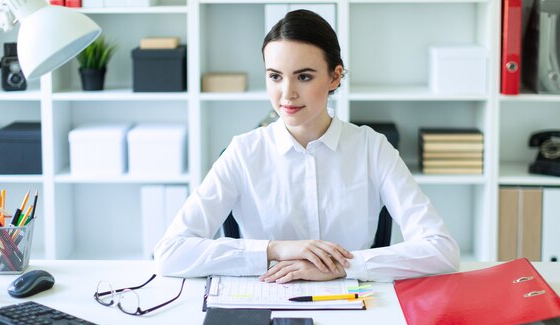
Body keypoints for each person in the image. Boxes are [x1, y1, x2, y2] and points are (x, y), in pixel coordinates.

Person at [154, 9, 459, 283]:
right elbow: (170, 252)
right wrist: (274, 250)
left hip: (356, 304)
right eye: (275, 76)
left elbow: (442, 250)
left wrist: (342, 267)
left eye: (303, 76)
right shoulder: (244, 152)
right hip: (265, 299)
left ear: (334, 77)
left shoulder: (372, 148)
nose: (287, 94)